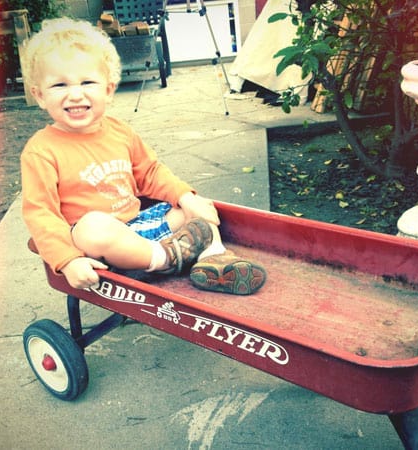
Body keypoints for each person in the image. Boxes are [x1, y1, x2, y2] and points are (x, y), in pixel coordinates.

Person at [20, 17, 266, 295]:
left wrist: (187, 198)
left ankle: (214, 259)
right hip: (97, 246)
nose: (75, 94)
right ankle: (168, 260)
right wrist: (68, 260)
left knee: (193, 208)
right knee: (93, 226)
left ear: (108, 89)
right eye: (59, 86)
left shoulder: (119, 131)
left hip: (139, 229)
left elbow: (150, 172)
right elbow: (41, 213)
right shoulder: (41, 150)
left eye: (87, 82)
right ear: (40, 96)